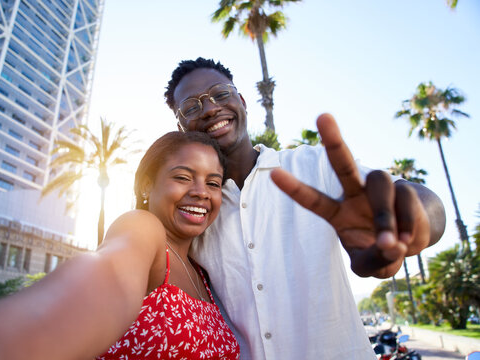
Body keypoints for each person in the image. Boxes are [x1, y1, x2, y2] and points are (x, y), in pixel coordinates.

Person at [164, 57, 446, 359]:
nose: (209, 109)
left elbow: (427, 208)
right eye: (192, 107)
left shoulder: (314, 165)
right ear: (181, 126)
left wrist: (409, 220)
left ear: (242, 101)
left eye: (220, 94)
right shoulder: (194, 214)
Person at [0, 131, 240, 360]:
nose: (201, 192)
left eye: (213, 183)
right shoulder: (143, 228)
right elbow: (107, 277)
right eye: (183, 177)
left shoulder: (203, 271)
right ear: (148, 185)